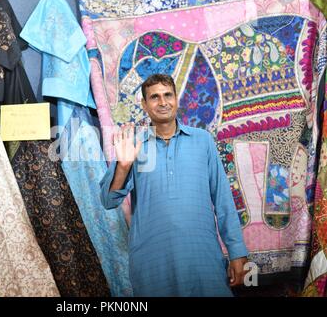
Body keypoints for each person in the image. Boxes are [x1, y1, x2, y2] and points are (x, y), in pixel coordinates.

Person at [100, 74, 249, 296]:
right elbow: (108, 201)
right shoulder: (135, 145)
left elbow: (223, 199)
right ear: (144, 104)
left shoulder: (202, 140)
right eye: (154, 97)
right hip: (152, 261)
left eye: (167, 95)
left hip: (202, 256)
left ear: (177, 99)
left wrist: (237, 253)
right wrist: (123, 166)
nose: (162, 102)